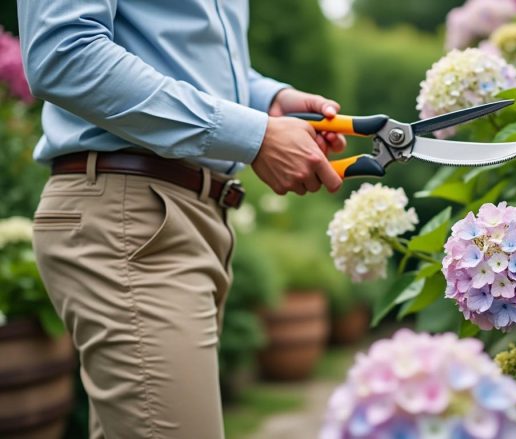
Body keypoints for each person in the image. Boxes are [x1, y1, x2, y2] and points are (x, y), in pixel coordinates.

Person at [16, 1, 346, 438]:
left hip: (180, 217)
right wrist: (254, 135)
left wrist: (264, 101)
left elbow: (182, 58)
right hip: (133, 219)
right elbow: (64, 53)